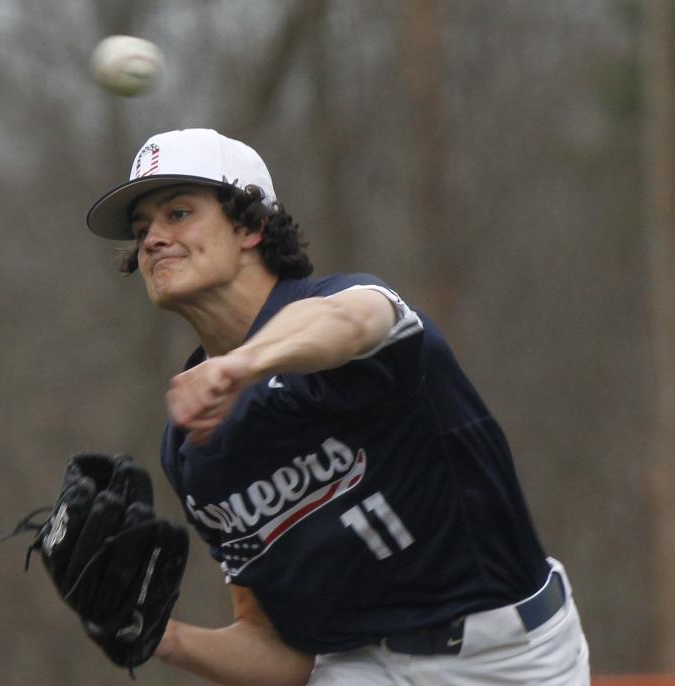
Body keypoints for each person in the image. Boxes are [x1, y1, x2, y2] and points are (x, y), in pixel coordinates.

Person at [85, 128, 590, 686]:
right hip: (352, 668)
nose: (153, 238)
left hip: (509, 659)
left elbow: (352, 321)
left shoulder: (346, 311)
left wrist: (244, 365)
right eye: (142, 229)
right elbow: (279, 651)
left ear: (251, 224)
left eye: (178, 213)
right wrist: (160, 635)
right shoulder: (191, 444)